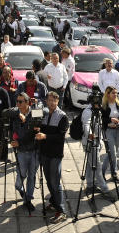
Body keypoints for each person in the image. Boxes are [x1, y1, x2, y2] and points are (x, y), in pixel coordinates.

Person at [37, 90, 69, 222]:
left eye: (54, 101)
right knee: (48, 180)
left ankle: (61, 210)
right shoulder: (41, 112)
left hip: (55, 154)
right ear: (46, 101)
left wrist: (45, 136)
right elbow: (31, 120)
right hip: (44, 152)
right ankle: (53, 201)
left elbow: (60, 137)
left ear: (57, 101)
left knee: (55, 181)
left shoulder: (63, 116)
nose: (51, 103)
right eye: (49, 100)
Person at [9, 92, 39, 210]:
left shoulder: (35, 112)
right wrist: (18, 112)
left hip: (34, 151)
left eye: (21, 102)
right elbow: (5, 112)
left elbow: (45, 111)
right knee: (21, 177)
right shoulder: (16, 113)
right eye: (17, 101)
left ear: (27, 103)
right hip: (21, 152)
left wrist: (27, 118)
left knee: (31, 176)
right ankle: (20, 189)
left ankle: (28, 199)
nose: (18, 104)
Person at [100, 87, 119, 181]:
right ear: (108, 94)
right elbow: (102, 119)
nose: (115, 95)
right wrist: (111, 120)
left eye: (116, 93)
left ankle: (109, 173)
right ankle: (107, 172)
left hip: (118, 130)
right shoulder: (104, 106)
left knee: (113, 153)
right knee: (113, 153)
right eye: (113, 93)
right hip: (108, 131)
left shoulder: (118, 105)